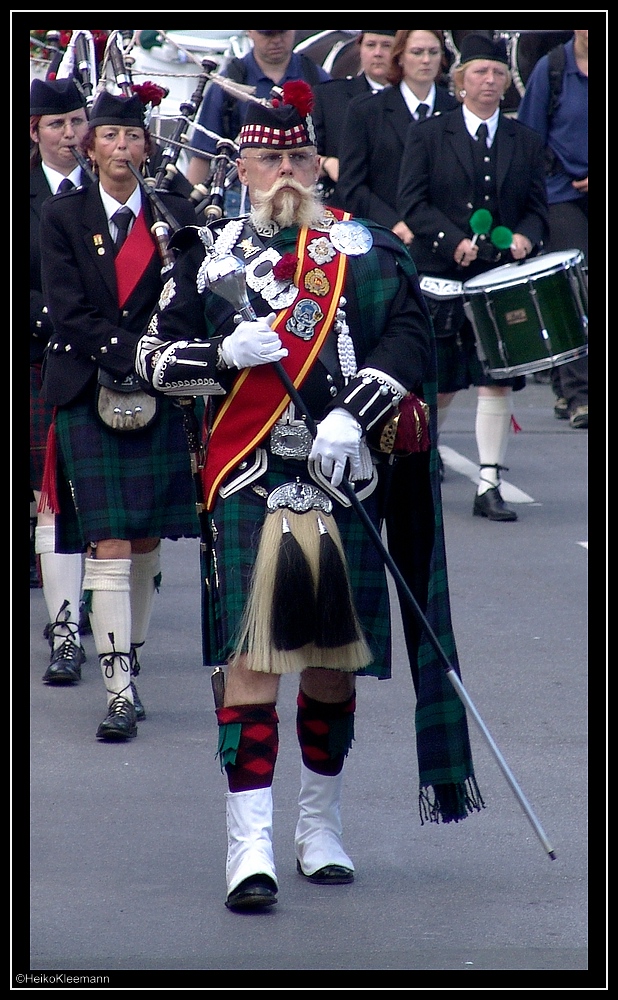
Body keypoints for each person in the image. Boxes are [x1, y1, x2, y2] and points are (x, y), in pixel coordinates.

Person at [136, 81, 483, 911]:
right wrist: (223, 355)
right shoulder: (205, 253)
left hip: (340, 472)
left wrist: (356, 414)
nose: (284, 171)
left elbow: (407, 334)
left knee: (332, 667)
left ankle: (318, 827)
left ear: (315, 161)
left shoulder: (363, 250)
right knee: (255, 664)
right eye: (267, 158)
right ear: (240, 165)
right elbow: (151, 357)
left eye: (297, 155)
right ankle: (247, 847)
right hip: (253, 477)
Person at [39, 90, 201, 741]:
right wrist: (139, 351)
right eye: (108, 137)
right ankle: (119, 690)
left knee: (143, 540)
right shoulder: (61, 216)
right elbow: (69, 311)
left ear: (147, 146)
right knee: (106, 538)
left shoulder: (175, 215)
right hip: (89, 389)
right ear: (91, 145)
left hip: (158, 396)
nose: (120, 149)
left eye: (131, 138)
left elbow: (191, 301)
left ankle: (127, 654)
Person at [397, 33, 549, 521]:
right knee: (439, 382)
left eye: (499, 74)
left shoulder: (523, 140)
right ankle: (423, 459)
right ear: (460, 83)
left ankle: (489, 481)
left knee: (496, 379)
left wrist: (526, 237)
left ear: (507, 85)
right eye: (481, 73)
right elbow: (412, 204)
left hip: (499, 280)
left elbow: (537, 211)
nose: (491, 81)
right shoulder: (428, 134)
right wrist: (451, 240)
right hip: (441, 274)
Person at [30, 77, 91, 684]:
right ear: (34, 132)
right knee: (43, 488)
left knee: (77, 492)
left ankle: (80, 609)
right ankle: (64, 616)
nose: (70, 134)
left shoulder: (105, 187)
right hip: (34, 354)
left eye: (77, 122)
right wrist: (54, 316)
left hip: (92, 356)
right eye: (57, 124)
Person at [517, 29, 588, 431]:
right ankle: (580, 394)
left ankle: (564, 383)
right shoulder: (553, 69)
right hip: (561, 192)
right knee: (577, 288)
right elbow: (529, 136)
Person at [185, 30, 330, 216]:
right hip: (240, 199)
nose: (277, 40)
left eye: (283, 32)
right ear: (250, 32)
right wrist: (188, 213)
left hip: (302, 196)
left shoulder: (316, 78)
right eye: (267, 34)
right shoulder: (230, 81)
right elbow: (202, 155)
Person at [336, 29, 459, 244]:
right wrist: (393, 223)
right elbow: (352, 185)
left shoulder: (455, 110)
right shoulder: (366, 111)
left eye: (433, 52)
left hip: (446, 242)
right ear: (400, 56)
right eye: (417, 52)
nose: (426, 60)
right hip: (385, 237)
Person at [311, 30, 396, 205]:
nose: (378, 53)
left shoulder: (418, 102)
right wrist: (326, 163)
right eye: (370, 45)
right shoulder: (329, 97)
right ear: (360, 48)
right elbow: (301, 155)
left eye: (387, 45)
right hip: (345, 212)